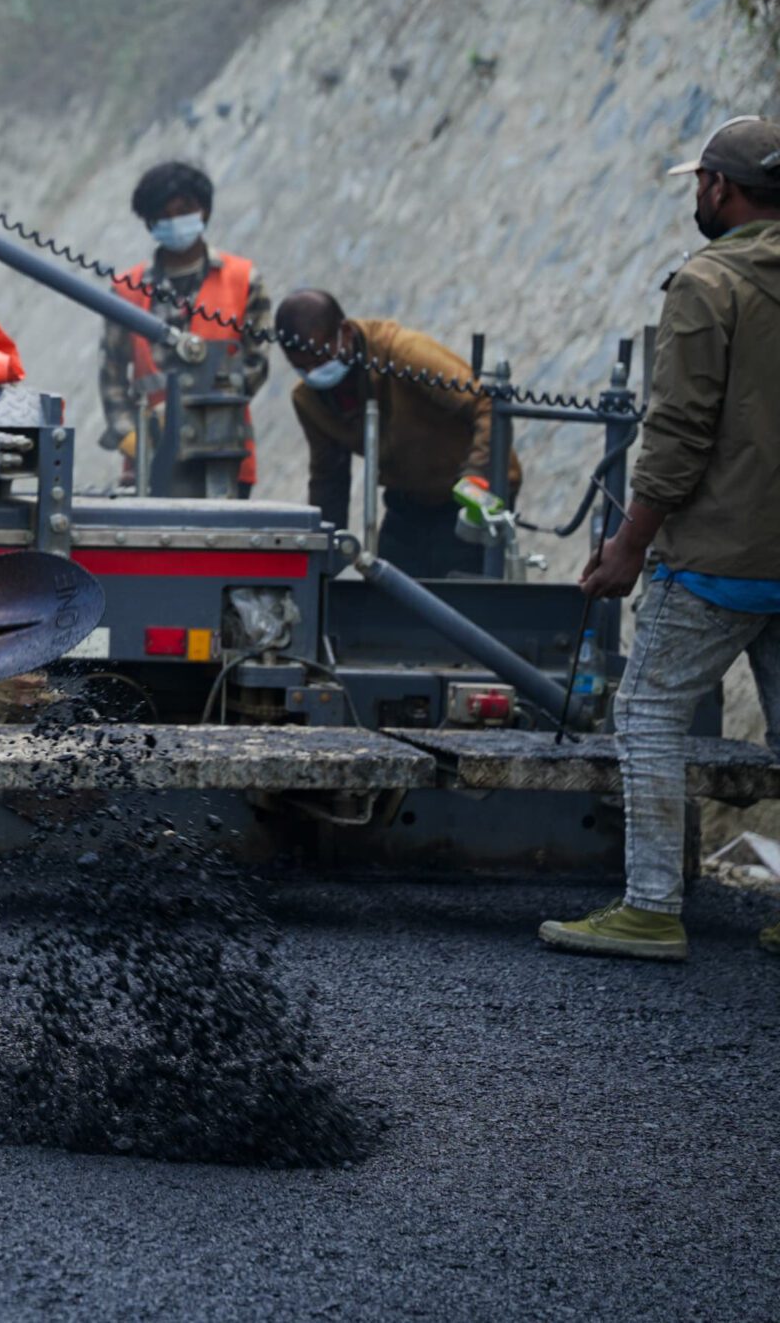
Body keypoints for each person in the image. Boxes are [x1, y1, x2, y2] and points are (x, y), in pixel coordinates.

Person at [541, 117, 780, 963]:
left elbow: (678, 430)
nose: (697, 195)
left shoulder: (707, 283)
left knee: (646, 712)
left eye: (699, 182)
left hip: (718, 557)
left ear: (719, 187)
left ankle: (650, 909)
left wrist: (630, 543)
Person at [275, 289, 519, 578]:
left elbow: (486, 405)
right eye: (301, 367)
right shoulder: (309, 400)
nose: (314, 373)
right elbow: (330, 479)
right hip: (408, 501)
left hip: (466, 498)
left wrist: (477, 477)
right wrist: (323, 557)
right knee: (391, 592)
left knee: (459, 597)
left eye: (320, 357)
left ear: (346, 333)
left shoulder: (403, 352)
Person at [100, 161, 268, 496]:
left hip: (224, 456)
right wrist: (136, 439)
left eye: (184, 210)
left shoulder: (243, 279)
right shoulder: (127, 289)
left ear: (203, 211)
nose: (175, 220)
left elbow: (255, 365)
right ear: (149, 222)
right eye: (164, 214)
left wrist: (187, 416)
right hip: (150, 462)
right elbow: (112, 379)